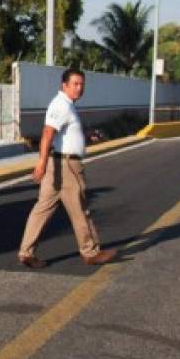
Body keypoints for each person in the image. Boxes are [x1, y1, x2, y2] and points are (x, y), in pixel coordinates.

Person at [17, 68, 116, 269]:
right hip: (67, 166)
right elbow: (47, 133)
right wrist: (41, 163)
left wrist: (86, 136)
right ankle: (91, 252)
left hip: (58, 163)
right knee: (80, 209)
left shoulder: (65, 105)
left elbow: (61, 135)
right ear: (64, 85)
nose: (79, 88)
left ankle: (26, 252)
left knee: (42, 209)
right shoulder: (62, 105)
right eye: (75, 84)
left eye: (82, 84)